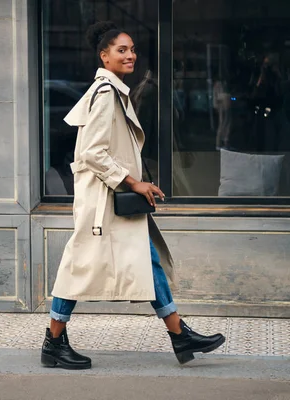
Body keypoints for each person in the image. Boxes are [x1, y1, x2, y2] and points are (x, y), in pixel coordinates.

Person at [41, 21, 225, 370]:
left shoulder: (114, 91)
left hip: (110, 203)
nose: (131, 55)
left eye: (132, 49)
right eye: (122, 50)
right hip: (102, 205)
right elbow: (93, 153)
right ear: (104, 55)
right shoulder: (106, 94)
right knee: (76, 269)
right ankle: (53, 341)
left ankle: (179, 334)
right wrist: (133, 182)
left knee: (148, 260)